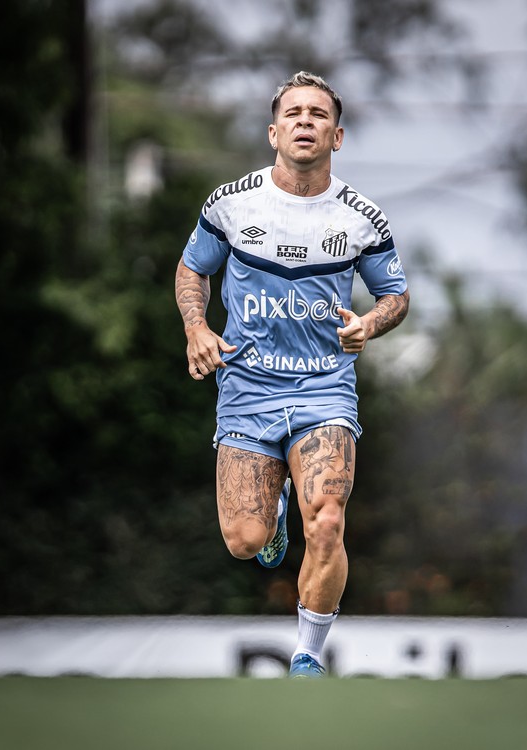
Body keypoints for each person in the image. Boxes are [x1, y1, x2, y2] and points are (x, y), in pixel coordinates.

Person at [175, 71, 409, 678]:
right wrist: (197, 328)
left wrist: (370, 324)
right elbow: (190, 269)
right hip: (247, 388)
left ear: (338, 136)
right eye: (295, 113)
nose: (306, 121)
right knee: (244, 542)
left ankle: (307, 654)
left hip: (323, 387)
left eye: (319, 114)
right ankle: (273, 511)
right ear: (273, 131)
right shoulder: (232, 203)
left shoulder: (361, 217)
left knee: (328, 518)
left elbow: (395, 295)